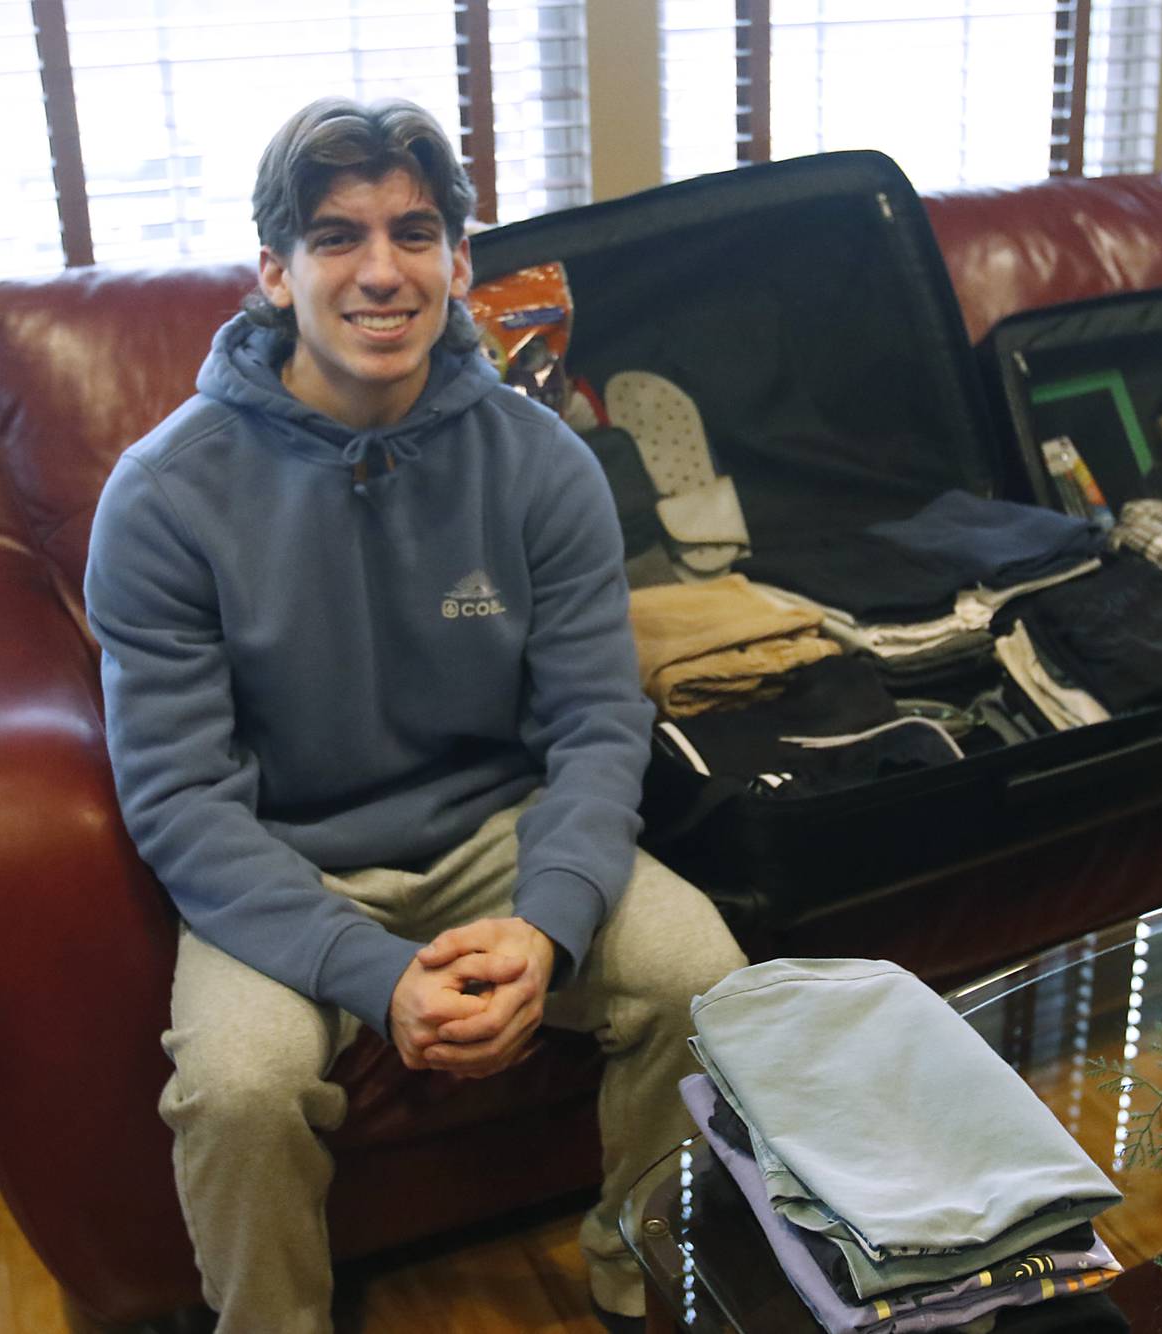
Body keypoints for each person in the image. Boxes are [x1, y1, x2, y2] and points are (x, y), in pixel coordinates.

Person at [84, 95, 746, 1334]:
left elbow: (600, 727)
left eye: (415, 230)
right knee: (239, 1086)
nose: (381, 270)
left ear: (459, 260)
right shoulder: (164, 497)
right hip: (285, 861)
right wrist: (378, 976)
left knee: (701, 972)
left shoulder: (542, 461)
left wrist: (547, 927)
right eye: (337, 238)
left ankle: (637, 1275)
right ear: (275, 273)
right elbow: (179, 800)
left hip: (503, 831)